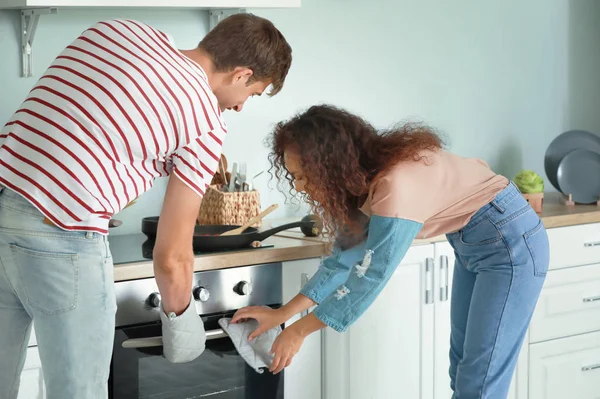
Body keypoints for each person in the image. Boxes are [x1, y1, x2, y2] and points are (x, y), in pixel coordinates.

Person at [0, 13, 292, 399]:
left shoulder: (121, 30)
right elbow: (172, 256)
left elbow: (83, 123)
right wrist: (185, 334)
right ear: (241, 74)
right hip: (64, 237)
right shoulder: (205, 121)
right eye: (252, 94)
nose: (240, 108)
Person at [231, 104, 549, 398]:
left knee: (480, 381)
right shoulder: (364, 181)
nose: (299, 186)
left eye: (304, 176)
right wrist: (284, 314)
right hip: (476, 244)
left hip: (509, 243)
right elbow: (344, 258)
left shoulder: (395, 186)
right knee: (464, 370)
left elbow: (370, 276)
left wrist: (299, 331)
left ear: (331, 165)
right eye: (294, 176)